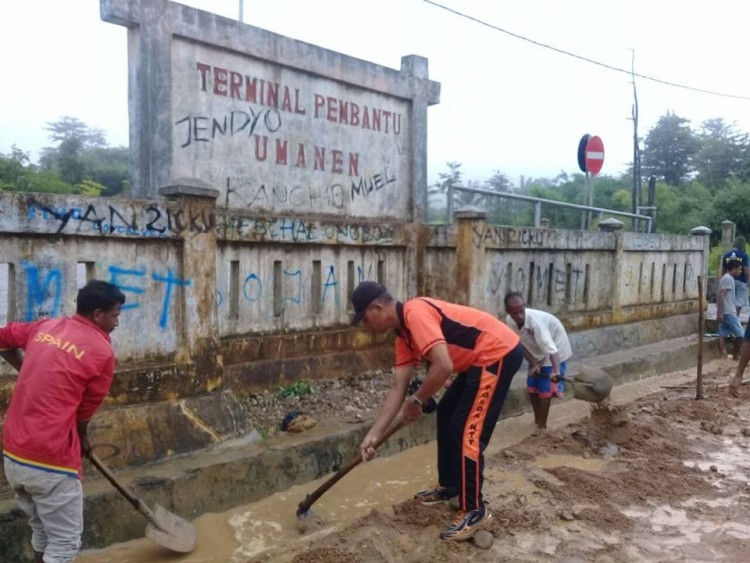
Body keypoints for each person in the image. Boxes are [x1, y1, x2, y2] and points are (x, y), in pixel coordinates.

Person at [350, 281, 523, 542]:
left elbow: (443, 365)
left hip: (497, 353)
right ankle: (451, 485)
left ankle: (474, 509)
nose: (366, 325)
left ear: (377, 308)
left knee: (469, 433)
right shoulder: (403, 336)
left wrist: (417, 401)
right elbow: (399, 387)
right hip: (476, 361)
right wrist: (373, 435)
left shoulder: (415, 313)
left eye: (365, 319)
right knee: (447, 414)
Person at [1, 280, 125, 563]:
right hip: (50, 462)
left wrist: (28, 366)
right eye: (115, 315)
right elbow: (84, 411)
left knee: (42, 530)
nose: (117, 322)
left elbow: (3, 338)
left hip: (13, 455)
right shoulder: (101, 352)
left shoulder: (46, 327)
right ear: (97, 314)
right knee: (65, 545)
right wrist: (83, 438)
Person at [503, 292, 573, 434]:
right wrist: (534, 363)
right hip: (536, 351)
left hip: (555, 349)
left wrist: (556, 371)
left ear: (525, 307)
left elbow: (552, 350)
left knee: (544, 389)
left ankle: (542, 427)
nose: (520, 316)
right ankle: (537, 420)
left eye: (521, 311)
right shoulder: (509, 321)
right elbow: (518, 345)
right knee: (532, 387)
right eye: (515, 313)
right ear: (508, 312)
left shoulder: (535, 322)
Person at [717, 258, 745, 359]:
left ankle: (721, 356)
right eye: (739, 269)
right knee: (741, 334)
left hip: (726, 311)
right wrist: (720, 312)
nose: (740, 271)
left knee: (723, 334)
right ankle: (736, 355)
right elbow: (722, 295)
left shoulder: (725, 278)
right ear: (734, 268)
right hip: (729, 312)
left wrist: (720, 312)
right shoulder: (728, 279)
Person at [721, 236, 750, 315]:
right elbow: (746, 269)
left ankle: (730, 316)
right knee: (739, 302)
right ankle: (735, 317)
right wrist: (748, 281)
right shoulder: (744, 255)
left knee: (729, 301)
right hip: (741, 281)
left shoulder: (726, 255)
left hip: (729, 281)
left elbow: (723, 269)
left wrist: (722, 280)